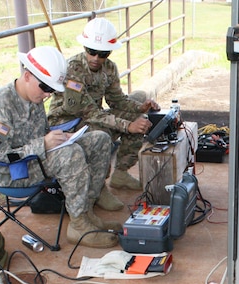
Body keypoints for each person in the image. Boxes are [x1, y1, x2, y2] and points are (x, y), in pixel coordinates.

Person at [0, 46, 120, 249]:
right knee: (70, 155)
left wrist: (61, 137)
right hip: (10, 172)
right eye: (45, 87)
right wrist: (43, 144)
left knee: (99, 140)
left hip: (33, 158)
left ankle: (85, 212)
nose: (47, 95)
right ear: (27, 76)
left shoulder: (33, 97)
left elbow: (40, 133)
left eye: (51, 90)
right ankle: (78, 225)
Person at [47, 17, 160, 191]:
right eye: (91, 51)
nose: (96, 58)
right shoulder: (73, 69)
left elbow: (117, 100)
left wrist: (140, 108)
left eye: (103, 54)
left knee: (139, 119)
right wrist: (128, 125)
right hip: (66, 124)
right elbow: (89, 112)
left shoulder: (109, 68)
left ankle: (121, 173)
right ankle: (99, 188)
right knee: (102, 134)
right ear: (85, 47)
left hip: (91, 118)